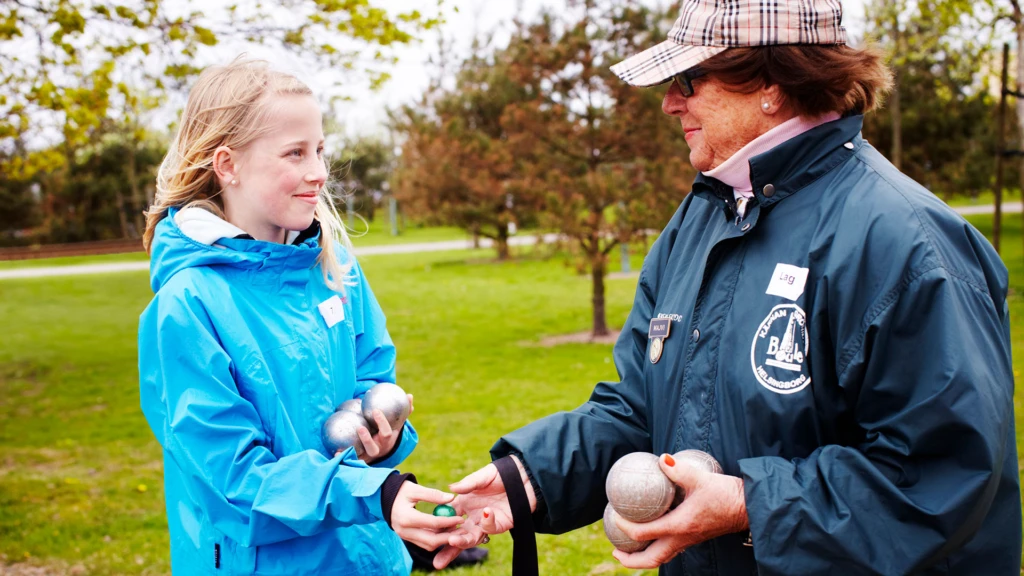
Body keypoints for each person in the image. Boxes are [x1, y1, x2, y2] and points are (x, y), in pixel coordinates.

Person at [436, 0, 1023, 574]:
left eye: (690, 78)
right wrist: (530, 477)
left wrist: (749, 504)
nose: (669, 102)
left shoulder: (906, 243)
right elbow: (643, 407)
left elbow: (940, 479)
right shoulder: (701, 218)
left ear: (771, 81)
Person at [137, 58, 463, 575]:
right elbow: (234, 482)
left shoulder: (335, 268)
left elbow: (374, 378)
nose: (318, 172)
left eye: (319, 150)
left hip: (365, 558)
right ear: (228, 164)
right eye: (294, 153)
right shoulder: (187, 305)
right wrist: (372, 493)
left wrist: (384, 439)